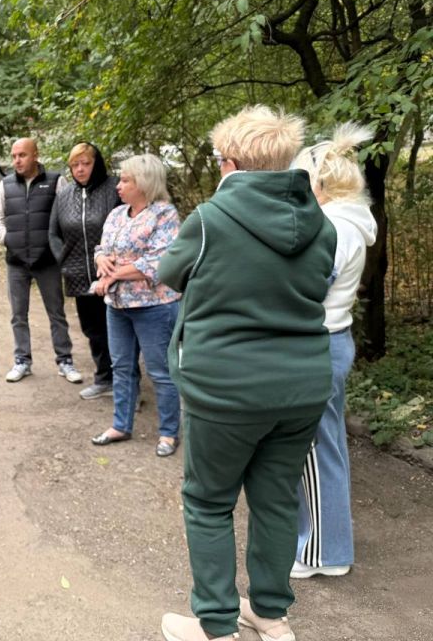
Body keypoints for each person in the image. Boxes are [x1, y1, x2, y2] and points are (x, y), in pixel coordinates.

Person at [158, 106, 336, 641]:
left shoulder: (210, 219)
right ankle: (270, 615)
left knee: (209, 502)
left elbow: (169, 275)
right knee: (276, 499)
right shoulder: (321, 224)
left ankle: (217, 625)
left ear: (229, 162)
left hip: (226, 390)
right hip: (302, 387)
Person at [290, 123, 377, 580]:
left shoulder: (337, 228)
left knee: (316, 449)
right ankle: (324, 542)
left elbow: (307, 287)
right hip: (331, 340)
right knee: (324, 446)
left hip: (320, 343)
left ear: (320, 185)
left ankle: (324, 553)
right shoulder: (347, 223)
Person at [89, 154, 182, 457]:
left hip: (154, 306)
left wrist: (113, 273)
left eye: (125, 180)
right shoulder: (117, 215)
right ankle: (120, 425)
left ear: (144, 183)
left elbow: (159, 260)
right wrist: (101, 258)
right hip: (117, 304)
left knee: (160, 370)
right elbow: (103, 247)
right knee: (122, 367)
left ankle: (168, 432)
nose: (118, 185)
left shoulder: (164, 214)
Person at [0, 137, 82, 384]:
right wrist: (9, 239)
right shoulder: (5, 185)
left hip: (47, 261)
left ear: (35, 155)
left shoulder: (56, 181)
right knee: (18, 315)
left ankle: (65, 361)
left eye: (22, 155)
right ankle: (22, 361)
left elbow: (68, 217)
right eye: (14, 156)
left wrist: (57, 246)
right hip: (16, 262)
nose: (17, 160)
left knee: (57, 313)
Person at [49, 142, 122, 399]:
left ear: (97, 164)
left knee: (119, 331)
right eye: (75, 165)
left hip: (113, 275)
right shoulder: (65, 195)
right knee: (93, 330)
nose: (80, 169)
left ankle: (126, 385)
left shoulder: (114, 188)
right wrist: (65, 262)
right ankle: (104, 379)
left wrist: (116, 263)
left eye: (86, 163)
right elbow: (54, 233)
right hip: (79, 275)